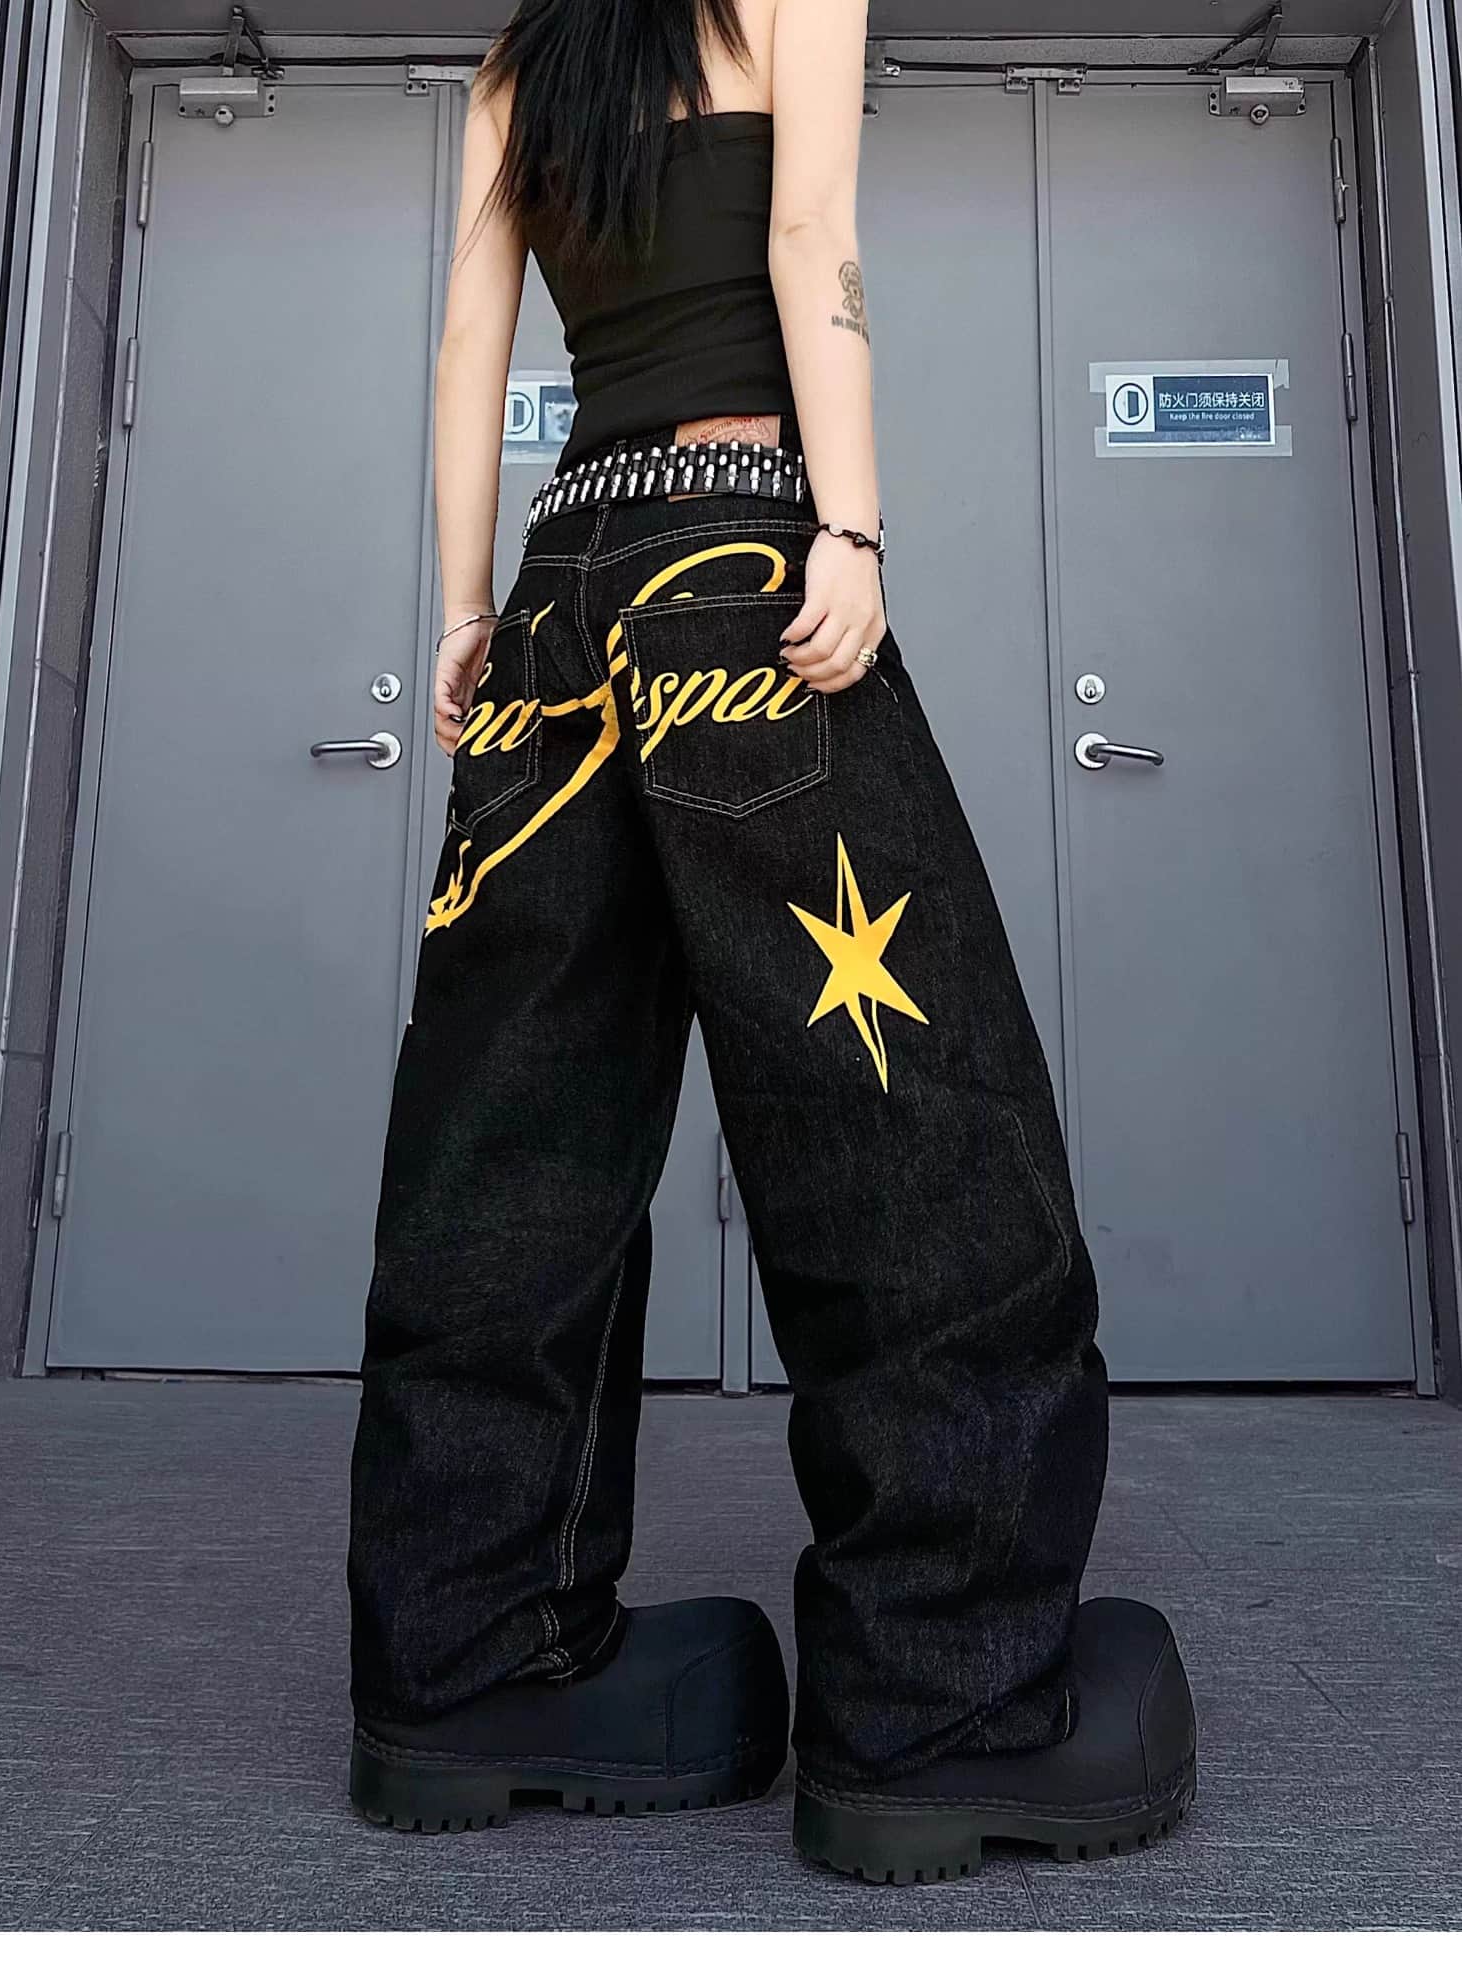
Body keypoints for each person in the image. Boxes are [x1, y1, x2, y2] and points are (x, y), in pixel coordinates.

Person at [344, 0, 1196, 1883]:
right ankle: (943, 1707)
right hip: (739, 566)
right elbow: (813, 234)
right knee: (909, 1122)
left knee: (511, 1138)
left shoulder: (522, 54)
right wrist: (856, 532)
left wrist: (470, 609)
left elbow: (471, 340)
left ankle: (464, 1667)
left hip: (558, 601)